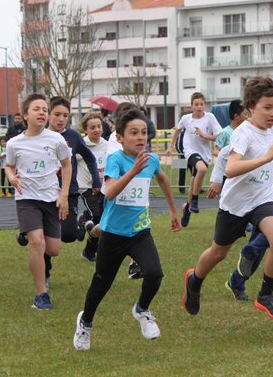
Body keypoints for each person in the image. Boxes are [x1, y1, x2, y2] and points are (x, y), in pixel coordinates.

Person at [181, 77, 273, 320]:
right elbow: (231, 168)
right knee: (218, 253)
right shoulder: (242, 133)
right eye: (267, 108)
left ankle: (265, 295)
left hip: (262, 199)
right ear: (251, 107)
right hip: (235, 205)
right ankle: (194, 281)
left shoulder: (271, 129)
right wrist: (266, 158)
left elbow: (270, 141)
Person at [72, 108, 181, 351]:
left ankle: (142, 310)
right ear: (120, 138)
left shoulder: (151, 160)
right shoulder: (116, 160)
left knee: (154, 273)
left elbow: (163, 179)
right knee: (101, 283)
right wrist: (133, 171)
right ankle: (85, 323)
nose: (140, 137)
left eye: (143, 132)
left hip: (140, 232)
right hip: (113, 234)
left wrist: (173, 210)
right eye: (134, 133)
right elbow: (110, 192)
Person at [5, 94, 71, 309]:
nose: (42, 112)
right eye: (37, 109)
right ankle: (41, 295)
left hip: (51, 197)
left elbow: (67, 166)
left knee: (53, 249)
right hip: (27, 198)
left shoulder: (56, 139)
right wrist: (11, 177)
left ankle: (27, 233)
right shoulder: (14, 143)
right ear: (25, 115)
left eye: (45, 109)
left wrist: (64, 195)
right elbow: (9, 166)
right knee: (37, 242)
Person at [46, 97, 102, 248]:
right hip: (45, 191)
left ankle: (81, 222)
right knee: (44, 232)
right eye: (57, 114)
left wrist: (96, 180)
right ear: (48, 114)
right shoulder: (40, 136)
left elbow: (90, 158)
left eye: (65, 115)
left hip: (69, 192)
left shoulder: (73, 136)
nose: (61, 119)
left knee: (69, 235)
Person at [167, 92, 222, 227]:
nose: (199, 107)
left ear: (204, 105)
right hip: (190, 151)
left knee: (193, 183)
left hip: (205, 155)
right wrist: (171, 146)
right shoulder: (186, 119)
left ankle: (187, 207)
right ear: (191, 106)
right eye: (196, 104)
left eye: (201, 104)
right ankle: (195, 201)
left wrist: (204, 135)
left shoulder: (210, 117)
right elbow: (177, 130)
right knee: (201, 169)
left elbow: (218, 136)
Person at [76, 112, 109, 263]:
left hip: (105, 187)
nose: (97, 130)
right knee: (99, 217)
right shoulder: (80, 146)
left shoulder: (107, 145)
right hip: (87, 188)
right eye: (92, 127)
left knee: (102, 223)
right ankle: (85, 219)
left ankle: (88, 252)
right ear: (86, 130)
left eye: (99, 126)